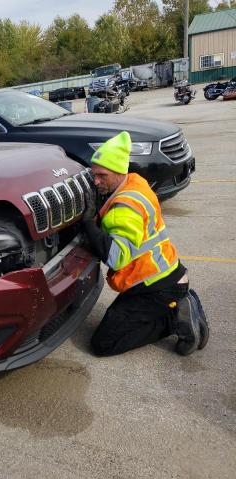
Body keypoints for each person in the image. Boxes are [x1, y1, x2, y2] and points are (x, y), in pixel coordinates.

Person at [81, 131, 209, 356]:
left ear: (120, 172)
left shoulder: (125, 209)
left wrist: (89, 226)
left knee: (104, 343)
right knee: (116, 320)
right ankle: (180, 302)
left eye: (102, 176)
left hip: (157, 286)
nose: (96, 181)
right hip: (161, 273)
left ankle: (176, 317)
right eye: (94, 175)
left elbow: (116, 258)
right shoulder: (135, 183)